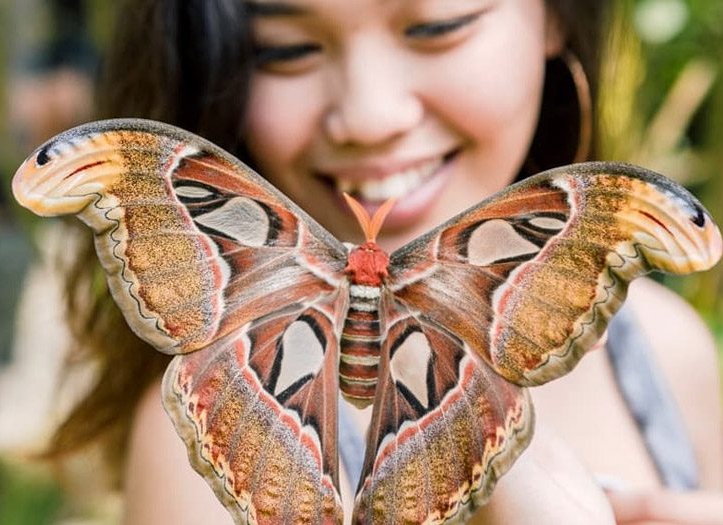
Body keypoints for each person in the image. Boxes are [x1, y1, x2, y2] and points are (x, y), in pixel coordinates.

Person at [44, 0, 723, 523]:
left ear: (557, 16)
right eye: (287, 49)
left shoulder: (667, 355)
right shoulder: (182, 458)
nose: (370, 117)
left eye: (437, 25)